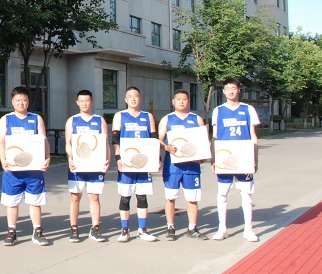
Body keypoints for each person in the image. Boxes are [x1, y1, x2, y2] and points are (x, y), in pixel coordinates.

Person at [0, 86, 51, 246]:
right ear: (12, 102)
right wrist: (2, 158)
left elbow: (44, 140)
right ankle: (11, 232)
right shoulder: (6, 119)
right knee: (12, 201)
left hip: (34, 169)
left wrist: (47, 157)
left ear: (28, 101)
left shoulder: (36, 119)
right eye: (18, 100)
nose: (21, 103)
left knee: (35, 201)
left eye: (24, 100)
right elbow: (1, 141)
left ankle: (37, 232)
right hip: (13, 170)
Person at [211, 78, 260, 242]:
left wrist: (255, 158)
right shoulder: (218, 110)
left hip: (244, 157)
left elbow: (253, 135)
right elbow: (215, 136)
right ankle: (222, 228)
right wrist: (213, 158)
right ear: (223, 91)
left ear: (239, 90)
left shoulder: (248, 109)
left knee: (246, 194)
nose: (231, 91)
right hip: (224, 157)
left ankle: (248, 229)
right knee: (222, 193)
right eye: (227, 88)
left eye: (233, 88)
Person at [157, 89, 208, 241]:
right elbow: (159, 140)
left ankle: (192, 228)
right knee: (170, 197)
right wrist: (166, 147)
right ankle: (170, 227)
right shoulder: (167, 119)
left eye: (184, 99)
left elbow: (203, 142)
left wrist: (203, 157)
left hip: (192, 167)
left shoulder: (196, 119)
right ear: (173, 102)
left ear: (188, 101)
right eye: (178, 99)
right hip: (173, 166)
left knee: (192, 198)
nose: (181, 101)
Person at [111, 86, 159, 242]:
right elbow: (115, 140)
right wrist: (118, 158)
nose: (133, 98)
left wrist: (157, 159)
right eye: (130, 96)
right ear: (125, 99)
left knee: (142, 196)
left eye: (136, 96)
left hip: (144, 163)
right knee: (125, 196)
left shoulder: (147, 116)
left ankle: (142, 230)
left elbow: (154, 138)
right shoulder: (120, 116)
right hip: (127, 162)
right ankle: (124, 230)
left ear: (140, 98)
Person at [64, 90, 109, 243]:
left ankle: (95, 228)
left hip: (95, 166)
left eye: (87, 100)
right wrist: (70, 158)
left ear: (92, 102)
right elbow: (68, 142)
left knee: (94, 196)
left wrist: (107, 160)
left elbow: (105, 142)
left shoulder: (99, 120)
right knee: (75, 196)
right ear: (77, 102)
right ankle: (74, 228)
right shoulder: (72, 120)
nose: (84, 103)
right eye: (81, 101)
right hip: (78, 166)